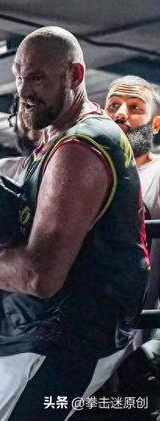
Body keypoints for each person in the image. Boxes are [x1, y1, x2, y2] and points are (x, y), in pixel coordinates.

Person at [0, 26, 149, 420]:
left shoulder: (81, 147)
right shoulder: (53, 142)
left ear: (75, 75)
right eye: (18, 76)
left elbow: (40, 276)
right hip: (18, 330)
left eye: (37, 78)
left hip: (63, 339)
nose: (24, 90)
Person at [104, 75, 160, 347]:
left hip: (137, 332)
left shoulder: (157, 173)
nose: (121, 114)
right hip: (83, 323)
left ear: (156, 124)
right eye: (113, 105)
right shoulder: (83, 169)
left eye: (135, 107)